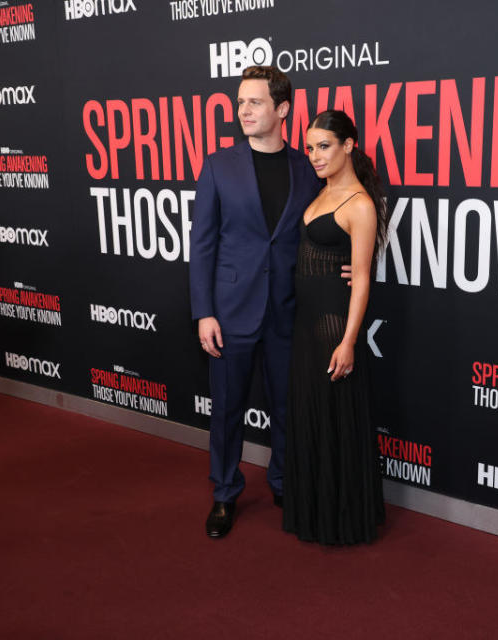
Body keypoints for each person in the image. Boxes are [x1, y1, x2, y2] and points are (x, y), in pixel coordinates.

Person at [189, 66, 324, 538]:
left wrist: (346, 266)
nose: (243, 110)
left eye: (255, 102)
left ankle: (284, 483)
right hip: (230, 311)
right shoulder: (218, 165)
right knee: (226, 408)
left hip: (289, 311)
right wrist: (204, 311)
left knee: (289, 406)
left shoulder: (308, 170)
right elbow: (202, 243)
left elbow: (320, 236)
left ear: (282, 109)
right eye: (240, 102)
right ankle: (224, 493)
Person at [282, 110, 388, 544]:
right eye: (309, 148)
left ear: (348, 145)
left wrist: (349, 341)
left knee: (334, 421)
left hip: (332, 327)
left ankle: (341, 520)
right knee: (311, 417)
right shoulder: (319, 192)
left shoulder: (360, 204)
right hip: (305, 325)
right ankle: (312, 511)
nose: (314, 155)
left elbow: (361, 277)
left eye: (324, 146)